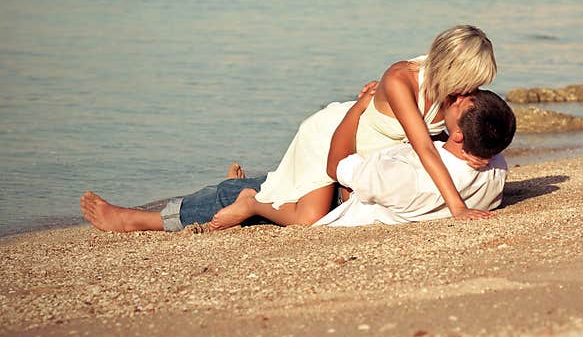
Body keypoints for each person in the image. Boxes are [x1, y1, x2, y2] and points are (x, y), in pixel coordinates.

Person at [82, 25, 499, 228]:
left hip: (361, 160)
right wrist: (459, 209)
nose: (474, 90)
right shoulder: (401, 79)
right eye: (471, 79)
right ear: (449, 65)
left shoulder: (455, 94)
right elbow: (425, 147)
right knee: (305, 217)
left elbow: (464, 135)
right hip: (335, 138)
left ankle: (253, 186)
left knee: (285, 189)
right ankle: (138, 220)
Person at [79, 88, 515, 232]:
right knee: (280, 183)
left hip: (340, 170)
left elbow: (337, 168)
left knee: (245, 195)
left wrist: (360, 109)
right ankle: (253, 183)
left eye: (460, 103)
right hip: (359, 170)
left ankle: (141, 220)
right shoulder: (494, 170)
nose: (454, 97)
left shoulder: (407, 176)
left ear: (458, 136)